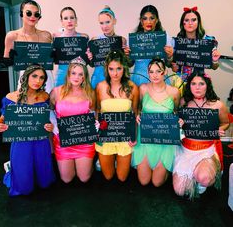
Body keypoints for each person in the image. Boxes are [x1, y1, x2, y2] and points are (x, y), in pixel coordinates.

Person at [0, 64, 55, 196]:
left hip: (40, 139)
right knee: (23, 188)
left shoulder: (44, 96)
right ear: (26, 77)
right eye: (34, 76)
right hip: (21, 140)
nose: (38, 81)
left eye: (41, 78)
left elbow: (45, 119)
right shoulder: (11, 97)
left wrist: (49, 126)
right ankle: (11, 169)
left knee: (45, 183)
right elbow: (2, 119)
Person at [173, 72, 229, 199]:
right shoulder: (183, 102)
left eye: (201, 84)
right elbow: (178, 126)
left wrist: (219, 129)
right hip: (186, 149)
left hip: (206, 149)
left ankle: (202, 180)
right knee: (180, 191)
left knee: (204, 178)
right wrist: (178, 124)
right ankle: (193, 175)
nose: (197, 87)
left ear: (207, 86)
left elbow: (225, 123)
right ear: (189, 86)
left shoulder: (218, 105)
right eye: (193, 84)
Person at [132, 58, 181, 186]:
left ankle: (166, 170)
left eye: (158, 71)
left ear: (164, 72)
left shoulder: (174, 92)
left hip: (165, 139)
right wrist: (137, 115)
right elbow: (138, 108)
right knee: (144, 181)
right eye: (151, 71)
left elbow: (176, 111)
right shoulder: (143, 89)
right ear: (148, 73)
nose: (154, 75)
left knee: (157, 183)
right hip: (145, 137)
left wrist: (178, 121)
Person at [50, 57, 96, 183]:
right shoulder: (56, 91)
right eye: (74, 73)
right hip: (63, 139)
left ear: (84, 77)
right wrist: (55, 126)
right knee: (67, 179)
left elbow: (93, 113)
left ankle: (91, 164)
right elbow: (49, 111)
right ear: (68, 74)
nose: (76, 77)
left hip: (84, 140)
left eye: (80, 74)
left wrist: (94, 124)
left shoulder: (90, 93)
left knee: (84, 178)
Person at [95, 50, 139, 182]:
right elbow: (97, 111)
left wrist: (134, 136)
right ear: (106, 69)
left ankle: (118, 160)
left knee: (122, 177)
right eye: (111, 69)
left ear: (124, 68)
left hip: (124, 137)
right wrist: (97, 132)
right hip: (106, 137)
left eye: (119, 68)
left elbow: (135, 113)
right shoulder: (100, 87)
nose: (115, 73)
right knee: (108, 176)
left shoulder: (132, 88)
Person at [3, 0, 54, 92]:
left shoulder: (46, 35)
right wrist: (11, 58)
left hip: (46, 80)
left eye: (36, 14)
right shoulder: (12, 36)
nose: (32, 17)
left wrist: (54, 55)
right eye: (29, 13)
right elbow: (5, 62)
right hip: (26, 80)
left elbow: (52, 58)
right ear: (21, 14)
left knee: (47, 106)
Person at [172, 6, 221, 82]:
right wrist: (173, 65)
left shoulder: (208, 41)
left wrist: (215, 60)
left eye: (193, 20)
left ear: (198, 22)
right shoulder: (177, 42)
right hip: (181, 82)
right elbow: (172, 65)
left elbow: (215, 67)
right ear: (182, 23)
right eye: (187, 20)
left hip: (199, 81)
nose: (190, 23)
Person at [129, 5, 174, 87]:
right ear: (141, 21)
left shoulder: (165, 37)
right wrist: (127, 56)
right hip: (139, 79)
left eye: (152, 18)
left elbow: (168, 64)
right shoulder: (134, 38)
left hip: (159, 78)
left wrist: (170, 56)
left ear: (157, 20)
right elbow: (130, 64)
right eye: (145, 18)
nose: (148, 22)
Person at [87, 6, 127, 89]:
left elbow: (126, 64)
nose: (105, 26)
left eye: (108, 22)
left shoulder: (121, 40)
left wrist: (127, 55)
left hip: (115, 78)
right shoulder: (95, 40)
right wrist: (90, 58)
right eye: (101, 23)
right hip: (98, 76)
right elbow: (92, 64)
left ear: (114, 21)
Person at [53, 6, 89, 86]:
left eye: (72, 17)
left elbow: (87, 59)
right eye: (65, 18)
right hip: (62, 76)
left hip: (79, 78)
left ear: (76, 20)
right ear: (61, 21)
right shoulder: (56, 38)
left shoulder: (84, 37)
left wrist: (90, 55)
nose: (69, 21)